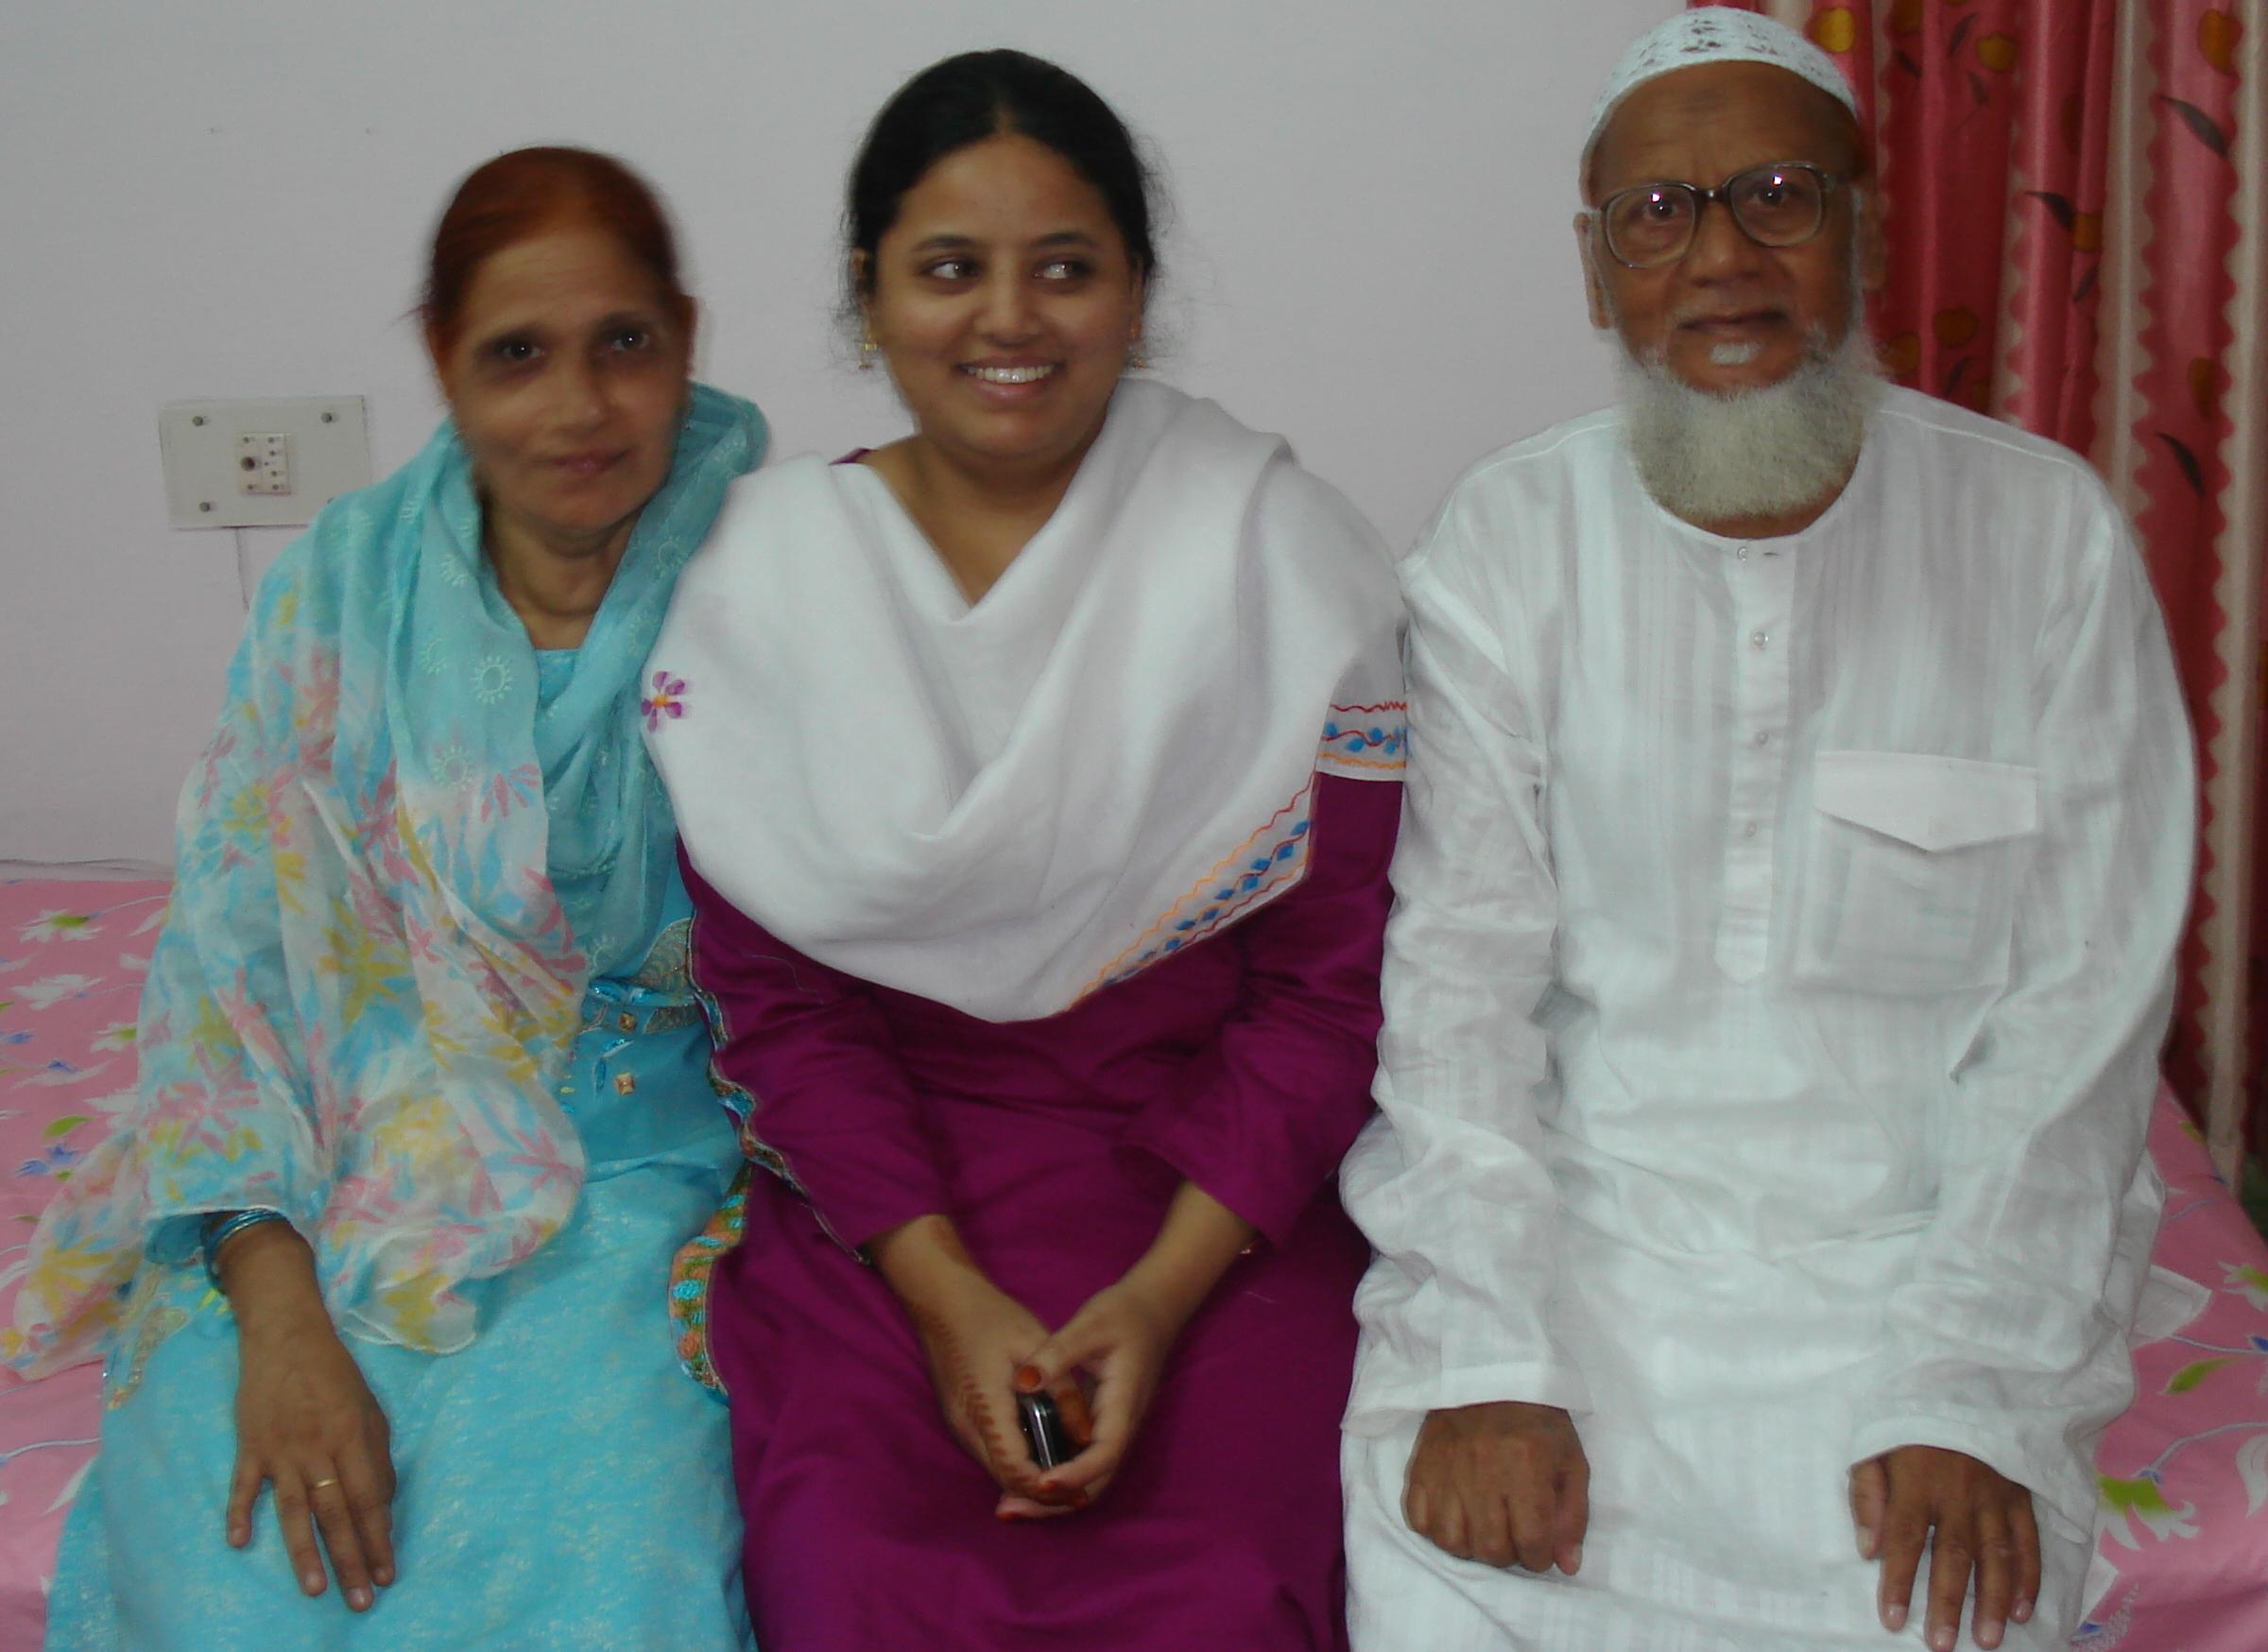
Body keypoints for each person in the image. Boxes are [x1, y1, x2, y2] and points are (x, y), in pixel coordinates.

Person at [1338, 12, 2192, 1652]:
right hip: (1589, 1244)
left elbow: (2085, 1012)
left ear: (1861, 227)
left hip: (1920, 1257)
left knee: (1943, 1610)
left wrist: (1972, 1386)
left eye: (1778, 197)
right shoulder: (1505, 544)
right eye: (1658, 214)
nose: (1721, 258)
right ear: (1597, 273)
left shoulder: (2046, 539)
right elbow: (1456, 992)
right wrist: (1491, 1359)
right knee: (1446, 1591)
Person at [643, 49, 1402, 1651]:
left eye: (1065, 267)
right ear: (868, 295)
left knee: (1221, 1596)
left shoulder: (1274, 557)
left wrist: (1156, 1298)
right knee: (852, 1586)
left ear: (1138, 290)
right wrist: (945, 1300)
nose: (1009, 319)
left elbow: (1328, 993)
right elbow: (785, 1014)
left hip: (1215, 1207)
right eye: (948, 269)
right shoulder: (759, 587)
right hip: (885, 1214)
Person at [6, 147, 766, 1650]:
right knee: (234, 1571)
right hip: (346, 1136)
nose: (578, 405)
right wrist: (278, 1307)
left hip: (653, 1164)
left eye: (622, 342)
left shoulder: (783, 580)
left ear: (686, 337)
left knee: (598, 1570)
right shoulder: (342, 594)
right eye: (517, 354)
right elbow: (231, 967)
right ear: (443, 360)